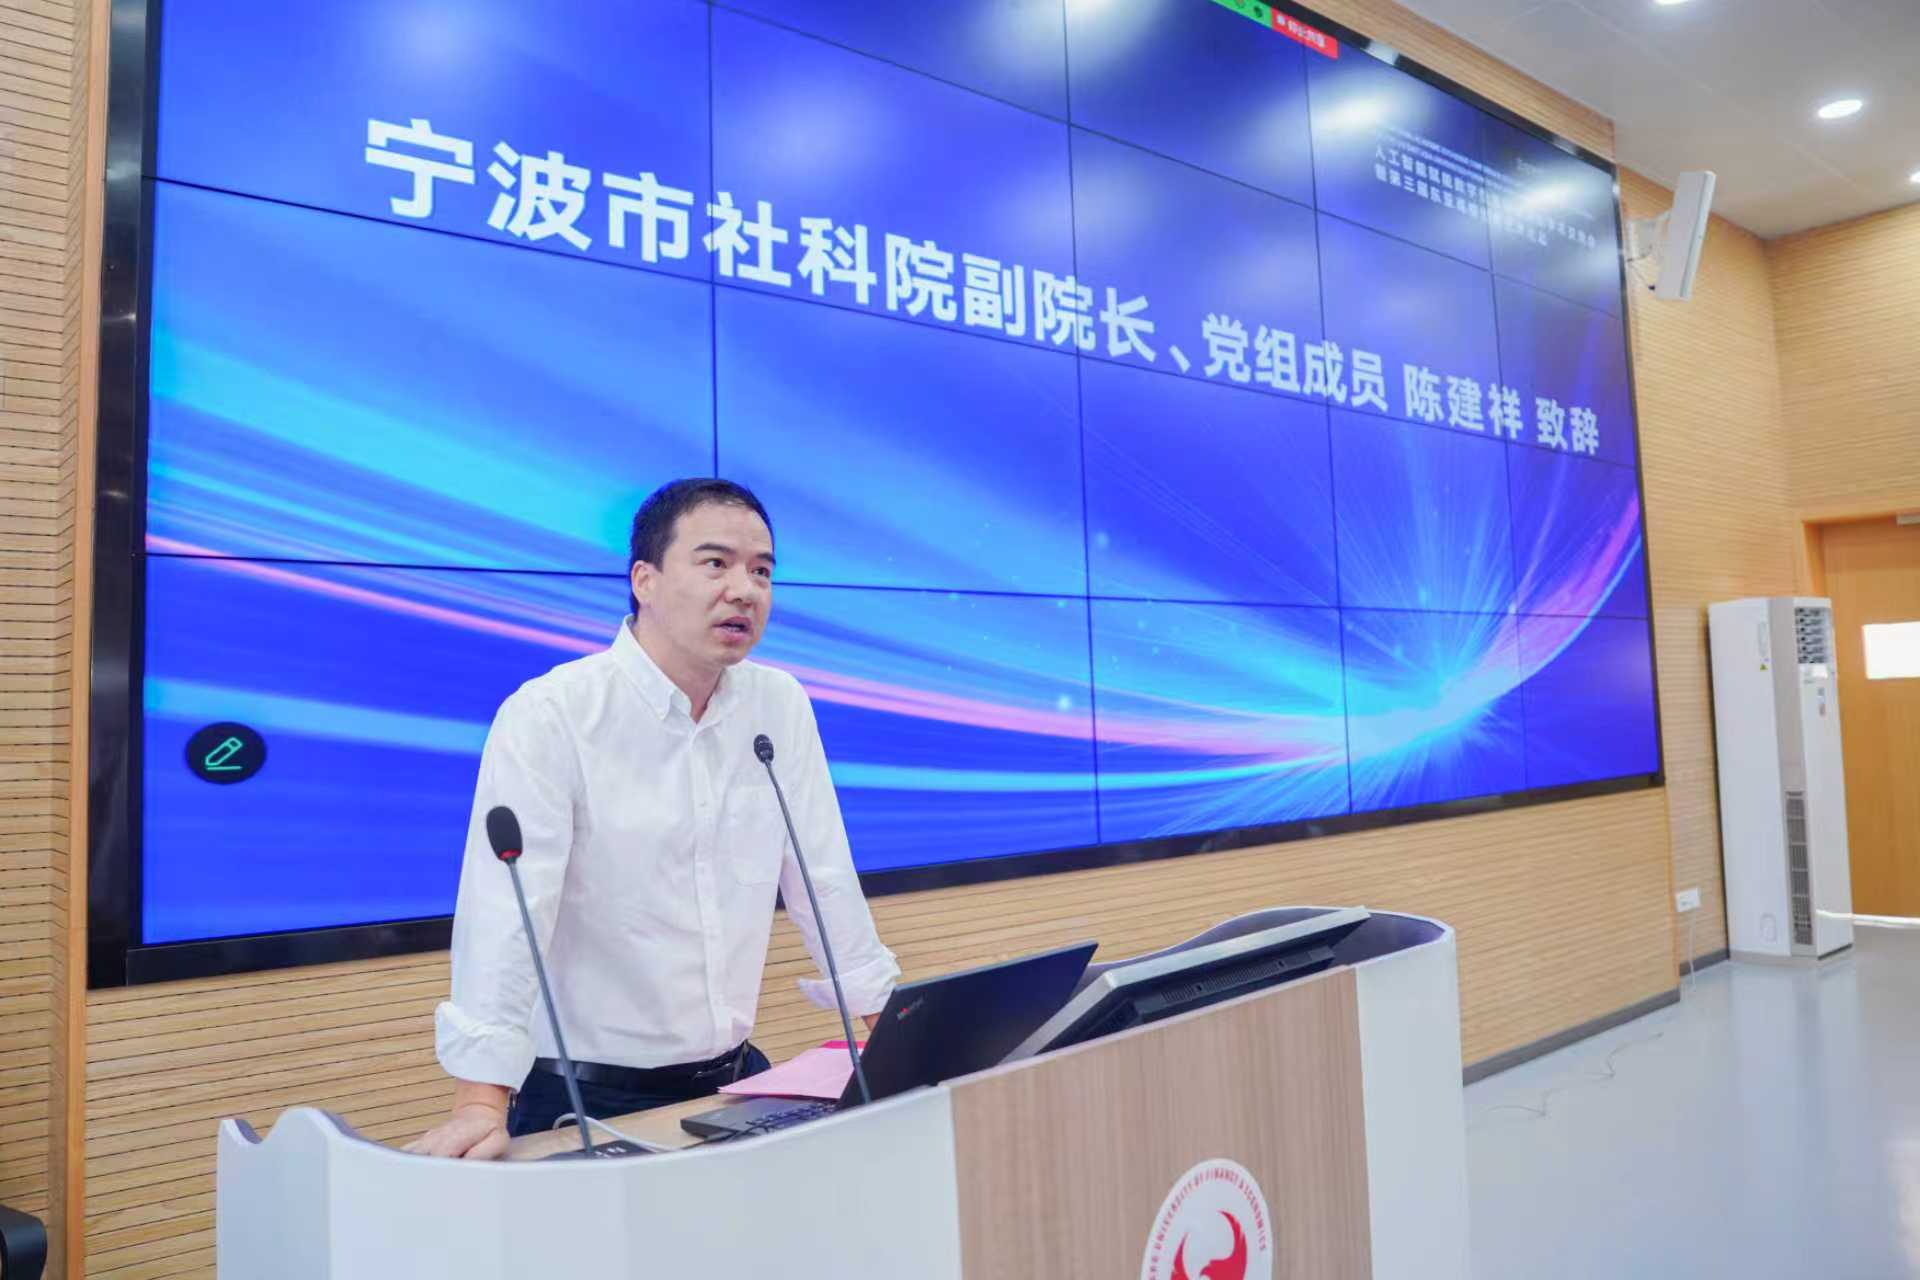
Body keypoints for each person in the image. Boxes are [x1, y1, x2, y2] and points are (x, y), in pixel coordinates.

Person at [406, 478, 899, 1159]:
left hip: (733, 1086)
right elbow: (507, 917)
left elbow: (824, 875)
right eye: (716, 563)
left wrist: (894, 1035)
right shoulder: (553, 714)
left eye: (762, 572)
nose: (745, 590)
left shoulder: (778, 705)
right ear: (645, 580)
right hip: (586, 1099)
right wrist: (480, 1102)